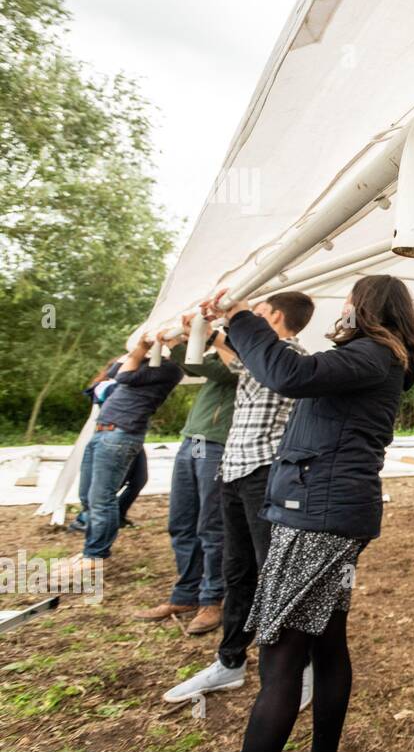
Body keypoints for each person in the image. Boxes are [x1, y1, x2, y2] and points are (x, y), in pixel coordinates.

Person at [202, 275, 414, 752]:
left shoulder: (372, 354)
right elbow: (286, 368)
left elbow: (288, 374)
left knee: (280, 656)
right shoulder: (375, 356)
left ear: (365, 306)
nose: (341, 308)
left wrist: (241, 316)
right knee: (326, 640)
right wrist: (232, 330)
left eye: (348, 301)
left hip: (318, 518)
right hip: (332, 513)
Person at [160, 292, 315, 707]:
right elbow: (226, 350)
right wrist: (209, 328)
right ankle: (230, 661)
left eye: (259, 314)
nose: (252, 321)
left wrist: (228, 317)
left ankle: (299, 667)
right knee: (238, 571)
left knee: (276, 574)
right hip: (234, 470)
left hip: (265, 474)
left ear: (275, 317)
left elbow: (247, 349)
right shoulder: (257, 355)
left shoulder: (287, 354)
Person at [133, 316, 237, 635]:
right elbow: (194, 366)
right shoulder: (220, 351)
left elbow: (213, 369)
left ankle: (212, 599)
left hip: (216, 445)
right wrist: (180, 343)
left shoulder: (244, 357)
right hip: (194, 441)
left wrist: (184, 342)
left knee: (211, 525)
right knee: (182, 521)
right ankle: (185, 595)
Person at [73, 331, 184, 570]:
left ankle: (94, 555)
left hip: (121, 433)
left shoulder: (169, 370)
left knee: (101, 498)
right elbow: (114, 371)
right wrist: (141, 349)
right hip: (104, 432)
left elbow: (122, 376)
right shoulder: (140, 364)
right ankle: (91, 551)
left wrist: (146, 350)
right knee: (87, 495)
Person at [69, 358, 149, 533]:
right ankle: (84, 520)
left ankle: (118, 515)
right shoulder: (104, 387)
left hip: (129, 437)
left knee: (139, 480)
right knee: (105, 487)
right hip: (111, 437)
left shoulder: (127, 385)